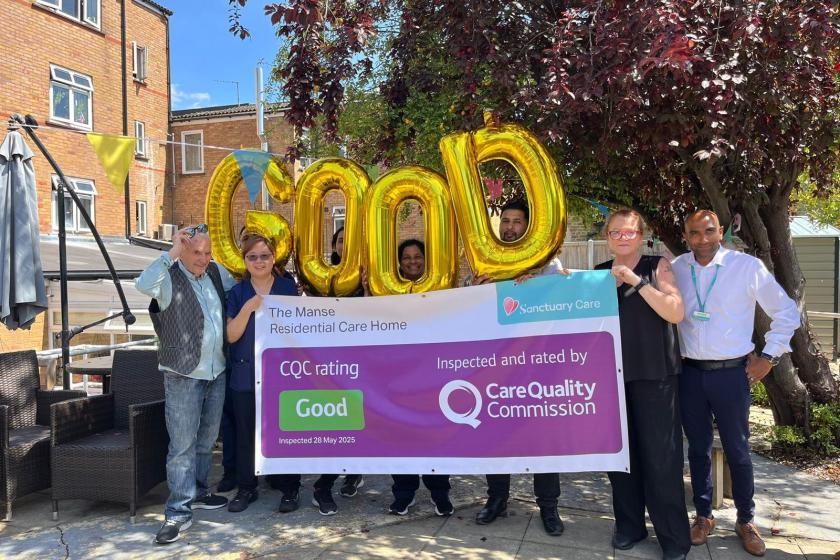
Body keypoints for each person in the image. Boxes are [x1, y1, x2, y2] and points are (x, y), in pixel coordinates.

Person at [673, 210, 800, 557]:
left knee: (738, 450)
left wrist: (769, 358)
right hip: (690, 373)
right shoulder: (677, 268)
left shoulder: (747, 267)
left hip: (732, 374)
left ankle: (746, 519)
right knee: (697, 449)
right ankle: (703, 516)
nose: (702, 238)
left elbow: (788, 312)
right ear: (685, 235)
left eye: (709, 231)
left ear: (720, 232)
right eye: (694, 232)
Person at [594, 209, 691, 560]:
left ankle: (674, 540)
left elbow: (675, 312)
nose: (622, 237)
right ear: (607, 236)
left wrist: (636, 281)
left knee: (662, 460)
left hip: (656, 377)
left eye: (629, 232)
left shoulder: (657, 266)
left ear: (641, 236)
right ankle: (630, 527)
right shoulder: (597, 276)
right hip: (610, 380)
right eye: (616, 232)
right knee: (622, 460)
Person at [468, 198, 566, 537]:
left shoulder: (548, 263)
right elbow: (468, 313)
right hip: (496, 367)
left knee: (542, 439)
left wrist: (537, 285)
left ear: (528, 226)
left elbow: (562, 302)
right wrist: (475, 292)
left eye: (516, 221)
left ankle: (549, 507)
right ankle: (497, 500)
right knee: (496, 436)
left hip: (538, 366)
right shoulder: (486, 261)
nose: (509, 227)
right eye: (505, 221)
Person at [136, 224, 237, 545]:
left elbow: (246, 292)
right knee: (181, 447)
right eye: (196, 252)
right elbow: (142, 283)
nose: (203, 258)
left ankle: (199, 492)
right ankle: (178, 511)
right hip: (182, 375)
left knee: (207, 442)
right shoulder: (167, 278)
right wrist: (172, 253)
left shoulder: (217, 274)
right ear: (183, 250)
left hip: (216, 371)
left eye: (208, 253)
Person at [225, 233, 299, 513]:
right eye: (253, 257)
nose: (259, 261)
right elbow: (231, 335)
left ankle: (289, 487)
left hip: (283, 374)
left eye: (264, 256)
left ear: (273, 258)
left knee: (285, 431)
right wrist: (248, 309)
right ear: (245, 260)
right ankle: (247, 488)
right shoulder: (237, 292)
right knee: (246, 434)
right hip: (245, 375)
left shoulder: (287, 287)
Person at [389, 239, 454, 517]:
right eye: (407, 258)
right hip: (398, 378)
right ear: (399, 263)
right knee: (399, 439)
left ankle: (440, 494)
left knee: (434, 439)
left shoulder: (441, 290)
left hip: (432, 376)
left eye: (417, 257)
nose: (413, 261)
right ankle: (404, 495)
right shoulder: (387, 291)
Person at [307, 226, 366, 513]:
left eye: (350, 239)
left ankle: (354, 471)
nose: (346, 244)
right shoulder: (318, 276)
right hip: (331, 365)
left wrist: (368, 290)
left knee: (361, 425)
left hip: (364, 364)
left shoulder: (373, 273)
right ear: (334, 245)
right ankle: (323, 485)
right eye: (341, 240)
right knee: (337, 425)